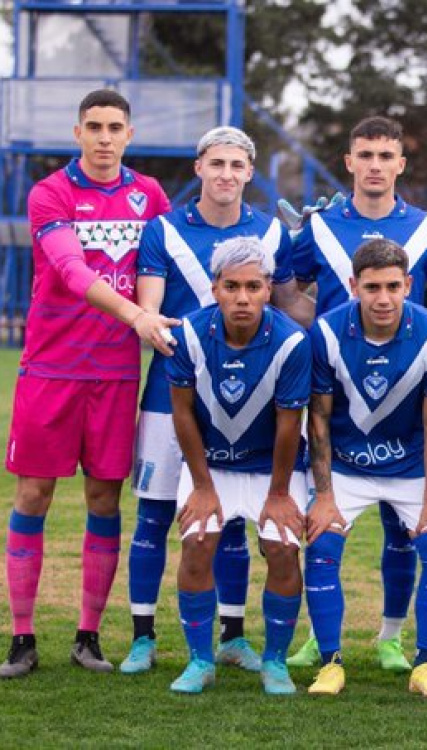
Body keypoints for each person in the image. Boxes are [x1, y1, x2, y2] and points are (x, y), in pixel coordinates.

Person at [287, 116, 427, 671]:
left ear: (400, 164)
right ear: (348, 162)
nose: (375, 165)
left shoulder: (426, 227)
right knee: (322, 528)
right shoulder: (320, 226)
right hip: (338, 394)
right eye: (365, 155)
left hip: (406, 399)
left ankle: (391, 638)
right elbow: (284, 294)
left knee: (403, 536)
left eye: (385, 156)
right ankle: (318, 638)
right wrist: (324, 329)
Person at [122, 126, 309, 675]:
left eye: (236, 165)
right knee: (156, 516)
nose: (226, 174)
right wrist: (182, 337)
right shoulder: (163, 229)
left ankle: (231, 636)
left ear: (250, 172)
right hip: (174, 390)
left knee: (228, 523)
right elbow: (150, 311)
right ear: (199, 167)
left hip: (249, 398)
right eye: (217, 163)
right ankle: (142, 638)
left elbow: (293, 309)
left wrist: (318, 250)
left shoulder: (273, 232)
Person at [1, 89, 174, 679]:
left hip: (115, 373)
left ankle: (88, 636)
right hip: (50, 369)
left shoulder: (149, 195)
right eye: (94, 127)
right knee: (33, 496)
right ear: (77, 133)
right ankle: (22, 638)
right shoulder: (50, 193)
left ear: (129, 134)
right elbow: (72, 271)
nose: (104, 137)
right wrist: (136, 316)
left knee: (104, 500)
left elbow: (173, 262)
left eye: (114, 127)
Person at [305, 238, 427, 697]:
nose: (384, 298)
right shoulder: (326, 332)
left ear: (408, 285)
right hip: (347, 465)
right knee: (321, 544)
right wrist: (325, 496)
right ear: (353, 286)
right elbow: (318, 418)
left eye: (393, 286)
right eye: (372, 287)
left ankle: (425, 665)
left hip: (410, 466)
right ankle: (330, 664)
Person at [165, 236, 310, 695]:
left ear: (268, 288)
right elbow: (182, 412)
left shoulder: (292, 341)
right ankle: (200, 661)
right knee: (197, 542)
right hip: (209, 467)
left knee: (282, 548)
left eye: (253, 286)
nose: (242, 298)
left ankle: (275, 663)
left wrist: (279, 494)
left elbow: (290, 424)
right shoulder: (188, 334)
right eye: (231, 287)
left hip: (274, 468)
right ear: (215, 289)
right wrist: (202, 486)